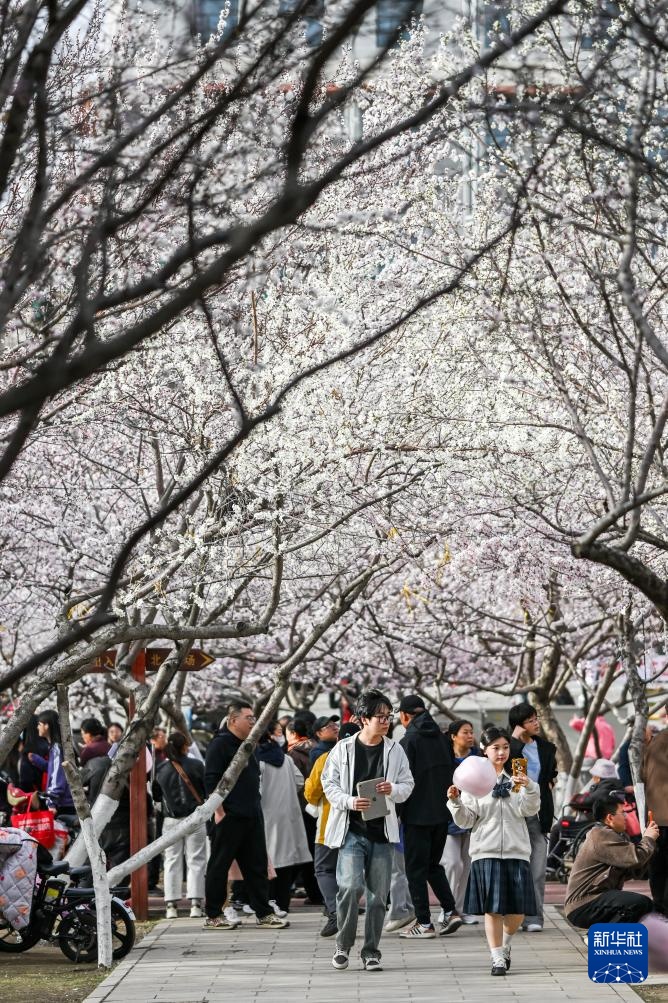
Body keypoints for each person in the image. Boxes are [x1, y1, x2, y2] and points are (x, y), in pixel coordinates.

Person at [322, 688, 414, 973]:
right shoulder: (343, 748)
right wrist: (350, 801)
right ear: (363, 719)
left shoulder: (394, 749)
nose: (386, 722)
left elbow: (408, 785)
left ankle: (371, 951)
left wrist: (393, 789)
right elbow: (329, 784)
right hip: (351, 829)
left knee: (377, 896)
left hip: (382, 832)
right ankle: (342, 945)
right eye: (380, 717)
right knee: (349, 887)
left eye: (389, 717)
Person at [447, 725, 540, 977]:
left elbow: (529, 810)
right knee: (493, 908)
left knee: (517, 912)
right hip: (485, 851)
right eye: (495, 748)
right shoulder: (473, 779)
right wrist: (455, 801)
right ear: (484, 750)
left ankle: (505, 946)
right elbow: (466, 821)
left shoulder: (517, 780)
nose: (501, 753)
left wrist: (530, 786)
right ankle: (497, 957)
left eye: (505, 747)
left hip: (516, 850)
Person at [203, 702, 289, 930]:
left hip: (251, 813)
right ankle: (213, 914)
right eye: (249, 718)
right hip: (228, 816)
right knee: (219, 867)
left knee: (257, 865)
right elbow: (211, 781)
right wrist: (219, 812)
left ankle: (264, 912)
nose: (253, 722)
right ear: (233, 720)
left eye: (254, 718)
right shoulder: (219, 744)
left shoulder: (247, 745)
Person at [396, 694, 460, 938]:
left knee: (415, 870)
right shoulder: (443, 739)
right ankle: (451, 910)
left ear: (404, 715)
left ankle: (424, 922)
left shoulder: (408, 741)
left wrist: (396, 815)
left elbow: (403, 781)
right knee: (433, 866)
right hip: (441, 814)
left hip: (416, 815)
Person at [565, 793, 658, 927]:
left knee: (643, 905)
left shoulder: (613, 835)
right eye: (623, 813)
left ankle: (607, 937)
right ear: (610, 818)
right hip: (583, 903)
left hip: (593, 899)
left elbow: (635, 871)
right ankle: (601, 936)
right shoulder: (601, 836)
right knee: (639, 903)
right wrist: (648, 838)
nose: (626, 817)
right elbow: (635, 858)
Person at [305, 721, 360, 938]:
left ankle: (336, 912)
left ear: (338, 739)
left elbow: (311, 793)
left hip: (330, 824)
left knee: (324, 869)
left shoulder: (325, 758)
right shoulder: (371, 756)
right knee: (351, 873)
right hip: (362, 824)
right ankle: (346, 913)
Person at [508, 701, 557, 933]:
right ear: (519, 725)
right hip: (515, 814)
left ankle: (535, 917)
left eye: (536, 718)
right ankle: (514, 917)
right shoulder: (509, 747)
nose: (536, 722)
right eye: (530, 720)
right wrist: (515, 741)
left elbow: (551, 773)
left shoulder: (546, 748)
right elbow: (508, 768)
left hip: (539, 813)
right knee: (516, 868)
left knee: (537, 868)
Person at [256, 722, 312, 913]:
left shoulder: (259, 761)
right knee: (287, 861)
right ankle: (283, 902)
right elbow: (299, 781)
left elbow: (258, 790)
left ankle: (269, 901)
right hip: (289, 816)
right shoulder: (286, 759)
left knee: (269, 860)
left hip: (266, 816)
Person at [156, 731, 207, 919]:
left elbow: (155, 795)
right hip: (195, 817)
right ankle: (195, 904)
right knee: (196, 860)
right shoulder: (197, 765)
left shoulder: (161, 768)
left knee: (171, 860)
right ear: (185, 746)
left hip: (171, 820)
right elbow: (206, 789)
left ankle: (171, 905)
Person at [442, 719, 481, 926]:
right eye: (465, 732)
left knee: (467, 865)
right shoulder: (444, 757)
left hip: (473, 816)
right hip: (448, 817)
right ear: (453, 736)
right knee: (452, 863)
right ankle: (447, 908)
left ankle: (461, 909)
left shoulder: (478, 758)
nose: (470, 736)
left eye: (471, 732)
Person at [643, 707, 668, 914]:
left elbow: (642, 774)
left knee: (658, 866)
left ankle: (660, 909)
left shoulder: (654, 743)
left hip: (655, 818)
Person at [29, 710, 76, 820]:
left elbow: (57, 778)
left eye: (39, 724)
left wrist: (51, 802)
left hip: (61, 803)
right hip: (66, 802)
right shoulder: (58, 747)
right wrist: (37, 760)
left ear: (47, 726)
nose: (37, 728)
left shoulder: (57, 749)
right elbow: (54, 769)